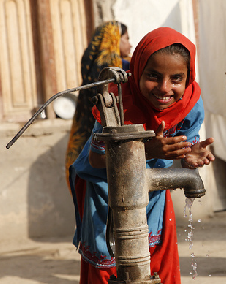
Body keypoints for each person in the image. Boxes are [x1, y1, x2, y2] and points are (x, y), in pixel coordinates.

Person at [69, 27, 215, 284]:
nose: (164, 88)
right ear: (136, 71)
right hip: (106, 191)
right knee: (109, 265)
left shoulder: (189, 102)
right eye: (153, 76)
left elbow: (185, 148)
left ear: (188, 78)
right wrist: (147, 151)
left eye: (176, 79)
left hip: (153, 189)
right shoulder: (116, 100)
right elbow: (96, 160)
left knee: (156, 263)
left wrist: (190, 155)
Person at [65, 21, 132, 191]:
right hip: (112, 150)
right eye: (126, 38)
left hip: (85, 150)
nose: (130, 44)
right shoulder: (119, 70)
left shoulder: (91, 68)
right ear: (114, 40)